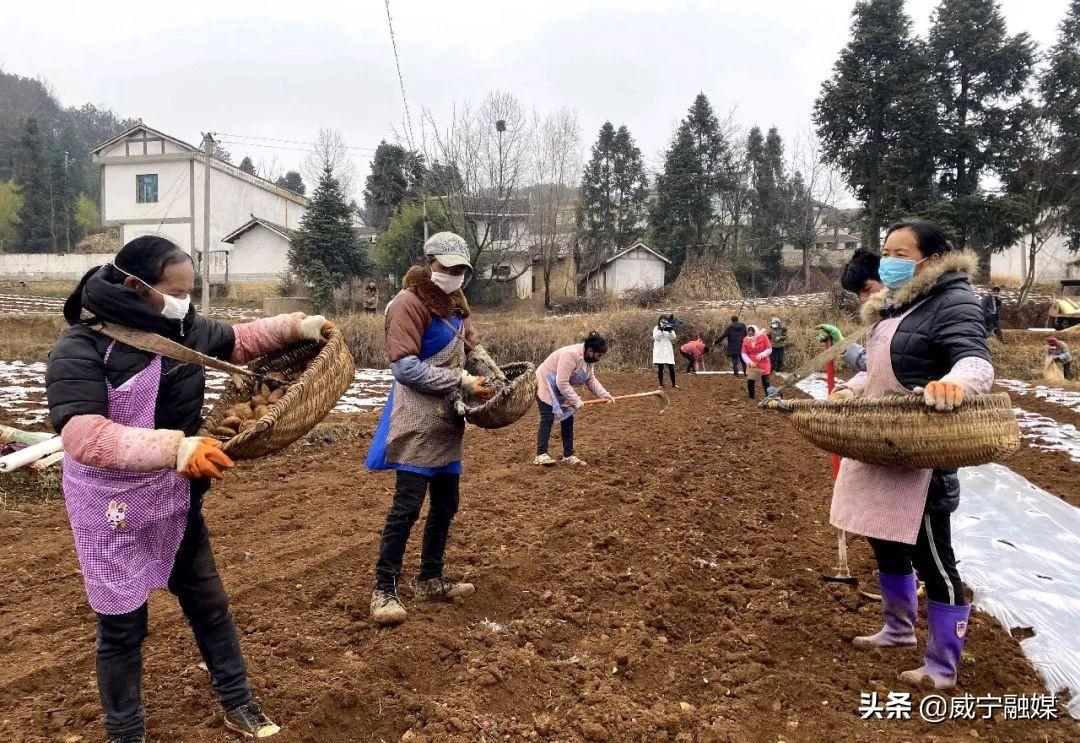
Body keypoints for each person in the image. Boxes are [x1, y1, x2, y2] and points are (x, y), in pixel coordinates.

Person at [46, 236, 334, 741]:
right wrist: (176, 448)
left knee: (208, 601)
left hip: (174, 498)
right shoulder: (81, 345)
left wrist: (296, 326)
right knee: (121, 627)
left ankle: (238, 701)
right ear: (135, 286)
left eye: (189, 290)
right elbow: (83, 436)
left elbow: (237, 340)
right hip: (110, 508)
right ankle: (125, 730)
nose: (186, 299)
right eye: (175, 290)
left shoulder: (180, 326)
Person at [829, 219, 993, 691]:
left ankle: (943, 664)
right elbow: (881, 371)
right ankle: (898, 629)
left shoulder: (955, 301)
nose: (890, 261)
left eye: (902, 252)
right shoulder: (897, 306)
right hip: (883, 445)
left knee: (933, 557)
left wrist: (954, 384)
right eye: (886, 251)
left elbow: (975, 362)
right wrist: (850, 388)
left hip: (922, 451)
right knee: (884, 539)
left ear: (933, 258)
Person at [365, 232, 498, 627]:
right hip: (417, 416)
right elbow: (404, 367)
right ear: (429, 263)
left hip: (448, 419)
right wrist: (460, 381)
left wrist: (493, 375)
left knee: (445, 502)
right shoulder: (407, 304)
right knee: (407, 505)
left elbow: (472, 349)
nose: (453, 274)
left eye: (460, 269)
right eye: (447, 267)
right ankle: (383, 588)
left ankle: (430, 578)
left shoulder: (457, 304)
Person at [534, 332, 614, 467]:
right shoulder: (570, 355)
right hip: (545, 382)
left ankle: (568, 455)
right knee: (547, 416)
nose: (599, 359)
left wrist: (604, 394)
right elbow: (562, 382)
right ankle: (541, 455)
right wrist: (576, 400)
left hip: (560, 386)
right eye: (599, 355)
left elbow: (590, 379)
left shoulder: (589, 360)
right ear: (590, 350)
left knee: (568, 418)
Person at [817, 248, 885, 372]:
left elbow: (884, 370)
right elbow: (875, 366)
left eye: (867, 288)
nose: (863, 299)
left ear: (885, 277)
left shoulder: (906, 315)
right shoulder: (881, 318)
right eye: (857, 294)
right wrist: (842, 343)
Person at [741, 325, 773, 399]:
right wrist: (749, 362)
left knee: (765, 381)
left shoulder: (763, 337)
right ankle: (751, 397)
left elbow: (769, 349)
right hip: (752, 363)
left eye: (752, 335)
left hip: (764, 362)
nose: (751, 337)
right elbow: (744, 353)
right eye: (749, 335)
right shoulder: (745, 340)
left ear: (756, 333)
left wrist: (762, 355)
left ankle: (769, 398)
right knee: (750, 381)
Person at [652, 315, 678, 389]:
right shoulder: (656, 328)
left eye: (665, 320)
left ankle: (674, 384)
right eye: (662, 320)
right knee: (660, 368)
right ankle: (661, 384)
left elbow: (673, 337)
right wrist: (661, 330)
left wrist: (670, 331)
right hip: (660, 350)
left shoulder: (669, 327)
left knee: (671, 367)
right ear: (659, 321)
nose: (664, 322)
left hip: (667, 350)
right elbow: (656, 338)